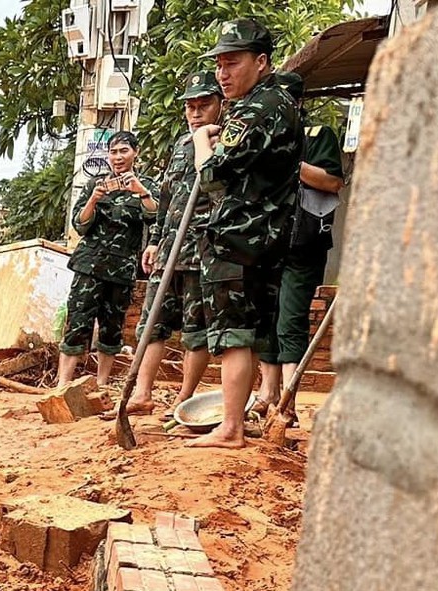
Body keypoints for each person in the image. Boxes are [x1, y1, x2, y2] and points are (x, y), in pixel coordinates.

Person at [190, 17, 303, 449]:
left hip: (238, 237)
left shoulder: (258, 107)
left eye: (232, 63)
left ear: (261, 61)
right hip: (269, 237)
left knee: (232, 333)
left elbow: (215, 176)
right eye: (219, 64)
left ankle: (230, 427)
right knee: (250, 332)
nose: (223, 74)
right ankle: (237, 419)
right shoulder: (284, 103)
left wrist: (203, 141)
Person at [113, 72, 225, 419]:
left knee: (196, 330)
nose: (195, 112)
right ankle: (141, 393)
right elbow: (167, 196)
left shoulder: (226, 141)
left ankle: (184, 399)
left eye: (203, 104)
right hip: (169, 249)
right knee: (151, 323)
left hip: (202, 251)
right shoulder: (181, 145)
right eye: (190, 106)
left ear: (221, 104)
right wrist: (156, 240)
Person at [57, 131, 159, 389]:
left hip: (121, 268)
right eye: (113, 152)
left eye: (124, 150)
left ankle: (102, 385)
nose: (118, 157)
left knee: (112, 327)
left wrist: (141, 192)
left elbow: (156, 217)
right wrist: (94, 199)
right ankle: (63, 383)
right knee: (78, 321)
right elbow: (79, 225)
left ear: (135, 153)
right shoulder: (95, 184)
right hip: (89, 266)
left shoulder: (145, 185)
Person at [270, 80, 346, 423]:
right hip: (267, 243)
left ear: (298, 102)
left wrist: (287, 161)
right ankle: (267, 396)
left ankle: (288, 401)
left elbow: (332, 182)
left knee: (290, 319)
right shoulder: (265, 135)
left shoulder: (317, 135)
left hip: (303, 243)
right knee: (265, 321)